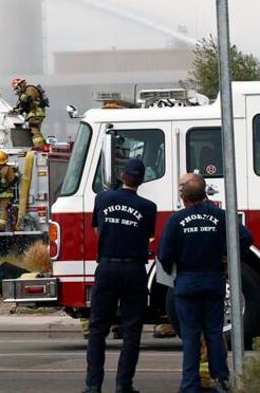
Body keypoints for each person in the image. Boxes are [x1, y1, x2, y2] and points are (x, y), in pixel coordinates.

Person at [158, 173, 254, 393]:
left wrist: (175, 270)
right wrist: (227, 257)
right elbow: (246, 238)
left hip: (186, 282)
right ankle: (221, 380)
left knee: (191, 335)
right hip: (213, 279)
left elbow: (164, 254)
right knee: (214, 332)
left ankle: (190, 384)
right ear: (205, 195)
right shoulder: (221, 216)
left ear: (184, 199)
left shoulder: (176, 219)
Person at [84, 158, 156, 393]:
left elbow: (97, 229)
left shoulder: (102, 199)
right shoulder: (148, 207)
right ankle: (124, 385)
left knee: (97, 329)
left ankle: (93, 385)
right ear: (141, 180)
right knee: (132, 330)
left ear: (121, 176)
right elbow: (147, 237)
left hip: (106, 267)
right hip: (134, 269)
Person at [10, 77, 48, 147]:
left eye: (16, 89)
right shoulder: (25, 92)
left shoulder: (30, 89)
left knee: (33, 128)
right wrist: (16, 109)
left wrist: (20, 109)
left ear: (20, 85)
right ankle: (43, 145)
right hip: (35, 112)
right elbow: (23, 104)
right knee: (36, 130)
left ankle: (39, 146)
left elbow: (28, 100)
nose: (16, 91)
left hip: (35, 113)